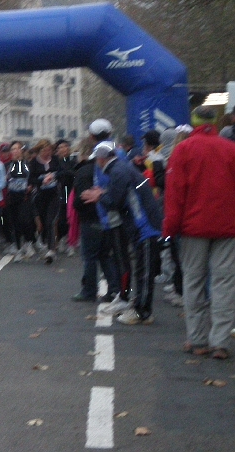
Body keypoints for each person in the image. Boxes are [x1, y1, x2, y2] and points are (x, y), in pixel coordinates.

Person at [163, 106, 235, 359]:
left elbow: (175, 193)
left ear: (193, 121)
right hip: (228, 227)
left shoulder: (183, 150)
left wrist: (170, 228)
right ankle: (220, 341)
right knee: (224, 283)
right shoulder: (230, 149)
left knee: (193, 281)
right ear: (214, 122)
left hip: (193, 227)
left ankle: (197, 339)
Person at [82, 141, 163, 325]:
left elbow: (115, 201)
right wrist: (104, 194)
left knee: (144, 271)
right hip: (143, 223)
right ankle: (139, 307)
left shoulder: (117, 171)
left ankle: (142, 312)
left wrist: (100, 196)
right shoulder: (121, 168)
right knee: (142, 269)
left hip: (144, 225)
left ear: (101, 159)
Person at [71, 139, 118, 302]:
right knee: (105, 256)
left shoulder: (84, 171)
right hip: (108, 216)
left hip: (90, 218)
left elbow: (81, 198)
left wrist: (76, 205)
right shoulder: (107, 169)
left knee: (90, 256)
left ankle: (89, 290)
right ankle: (115, 288)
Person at [28, 139, 61, 264]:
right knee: (42, 222)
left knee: (50, 221)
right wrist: (41, 180)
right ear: (39, 151)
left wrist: (54, 176)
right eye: (44, 151)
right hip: (40, 196)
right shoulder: (34, 162)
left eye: (49, 150)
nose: (47, 153)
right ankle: (44, 241)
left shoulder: (55, 160)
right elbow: (30, 179)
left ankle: (51, 250)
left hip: (54, 195)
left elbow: (62, 171)